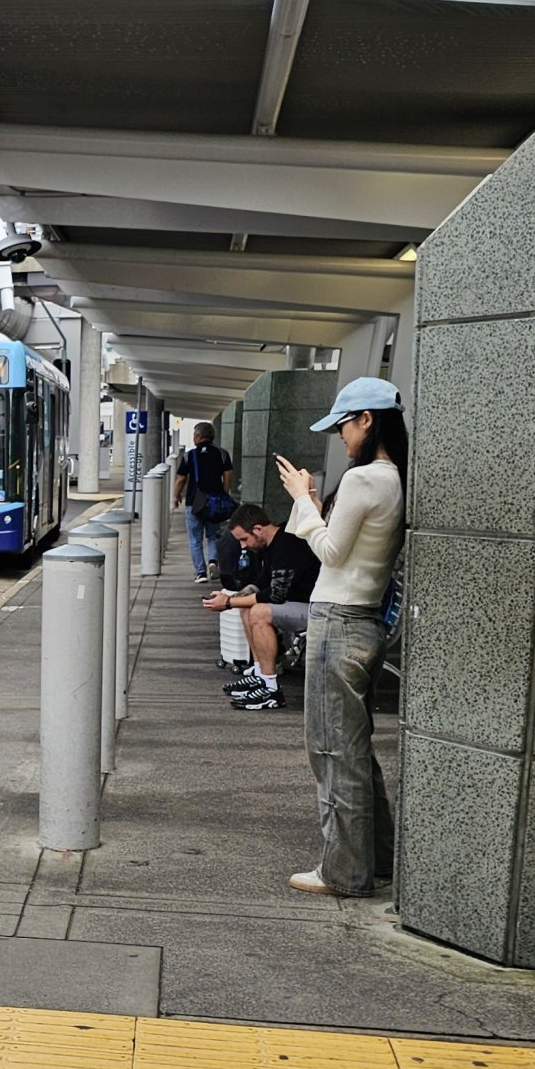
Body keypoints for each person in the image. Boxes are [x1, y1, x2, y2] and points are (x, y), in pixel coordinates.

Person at [275, 377, 408, 899]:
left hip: (338, 620)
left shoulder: (363, 479)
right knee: (354, 749)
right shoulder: (396, 478)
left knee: (332, 750)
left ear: (367, 420)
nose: (341, 437)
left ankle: (344, 872)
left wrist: (302, 500)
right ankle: (377, 860)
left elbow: (331, 552)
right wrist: (310, 503)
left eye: (344, 426)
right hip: (367, 620)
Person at [204, 503, 319, 709]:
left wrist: (229, 602)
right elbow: (263, 580)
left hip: (315, 609)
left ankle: (270, 689)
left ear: (257, 529)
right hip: (297, 604)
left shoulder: (287, 544)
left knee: (259, 612)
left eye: (244, 539)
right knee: (246, 607)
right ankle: (259, 673)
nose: (243, 546)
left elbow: (275, 594)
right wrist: (234, 597)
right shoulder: (271, 544)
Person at [173, 422, 237, 580]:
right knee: (213, 535)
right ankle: (213, 561)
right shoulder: (222, 454)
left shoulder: (190, 455)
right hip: (215, 502)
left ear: (198, 436)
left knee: (195, 538)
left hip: (194, 502)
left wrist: (176, 496)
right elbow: (228, 474)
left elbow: (181, 479)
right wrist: (224, 492)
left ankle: (200, 572)